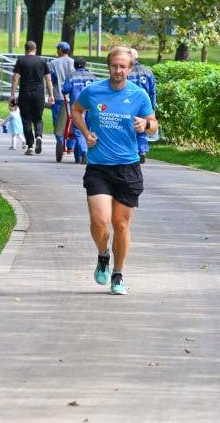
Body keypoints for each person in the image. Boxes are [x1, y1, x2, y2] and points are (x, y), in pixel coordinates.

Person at [71, 46, 157, 296]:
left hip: (127, 167)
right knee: (99, 221)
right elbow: (76, 110)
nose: (118, 70)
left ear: (130, 69)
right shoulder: (94, 91)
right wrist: (86, 134)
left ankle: (118, 274)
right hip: (98, 166)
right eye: (114, 65)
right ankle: (102, 254)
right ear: (108, 67)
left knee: (120, 225)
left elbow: (154, 124)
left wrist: (146, 124)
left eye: (123, 66)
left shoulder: (138, 95)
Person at [10, 40, 53, 156]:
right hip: (39, 94)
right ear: (35, 49)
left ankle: (30, 146)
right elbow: (48, 79)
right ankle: (39, 136)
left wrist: (12, 94)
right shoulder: (42, 61)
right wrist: (51, 95)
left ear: (25, 49)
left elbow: (15, 78)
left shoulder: (21, 60)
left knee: (26, 120)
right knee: (38, 118)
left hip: (25, 94)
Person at [60, 56, 99, 163]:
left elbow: (65, 90)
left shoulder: (72, 76)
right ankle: (78, 157)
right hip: (91, 107)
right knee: (88, 129)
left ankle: (84, 151)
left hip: (78, 108)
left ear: (74, 65)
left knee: (79, 131)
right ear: (85, 65)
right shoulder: (92, 76)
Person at [127, 48, 157, 164]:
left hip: (129, 104)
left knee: (130, 128)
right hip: (145, 104)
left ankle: (133, 151)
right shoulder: (148, 71)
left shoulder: (127, 72)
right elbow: (153, 90)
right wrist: (152, 106)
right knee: (143, 127)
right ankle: (142, 151)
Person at [49, 41, 76, 136]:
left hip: (58, 95)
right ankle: (70, 145)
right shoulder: (73, 62)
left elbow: (52, 79)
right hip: (71, 96)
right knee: (72, 121)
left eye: (57, 49)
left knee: (58, 121)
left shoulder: (53, 63)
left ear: (60, 50)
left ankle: (60, 142)